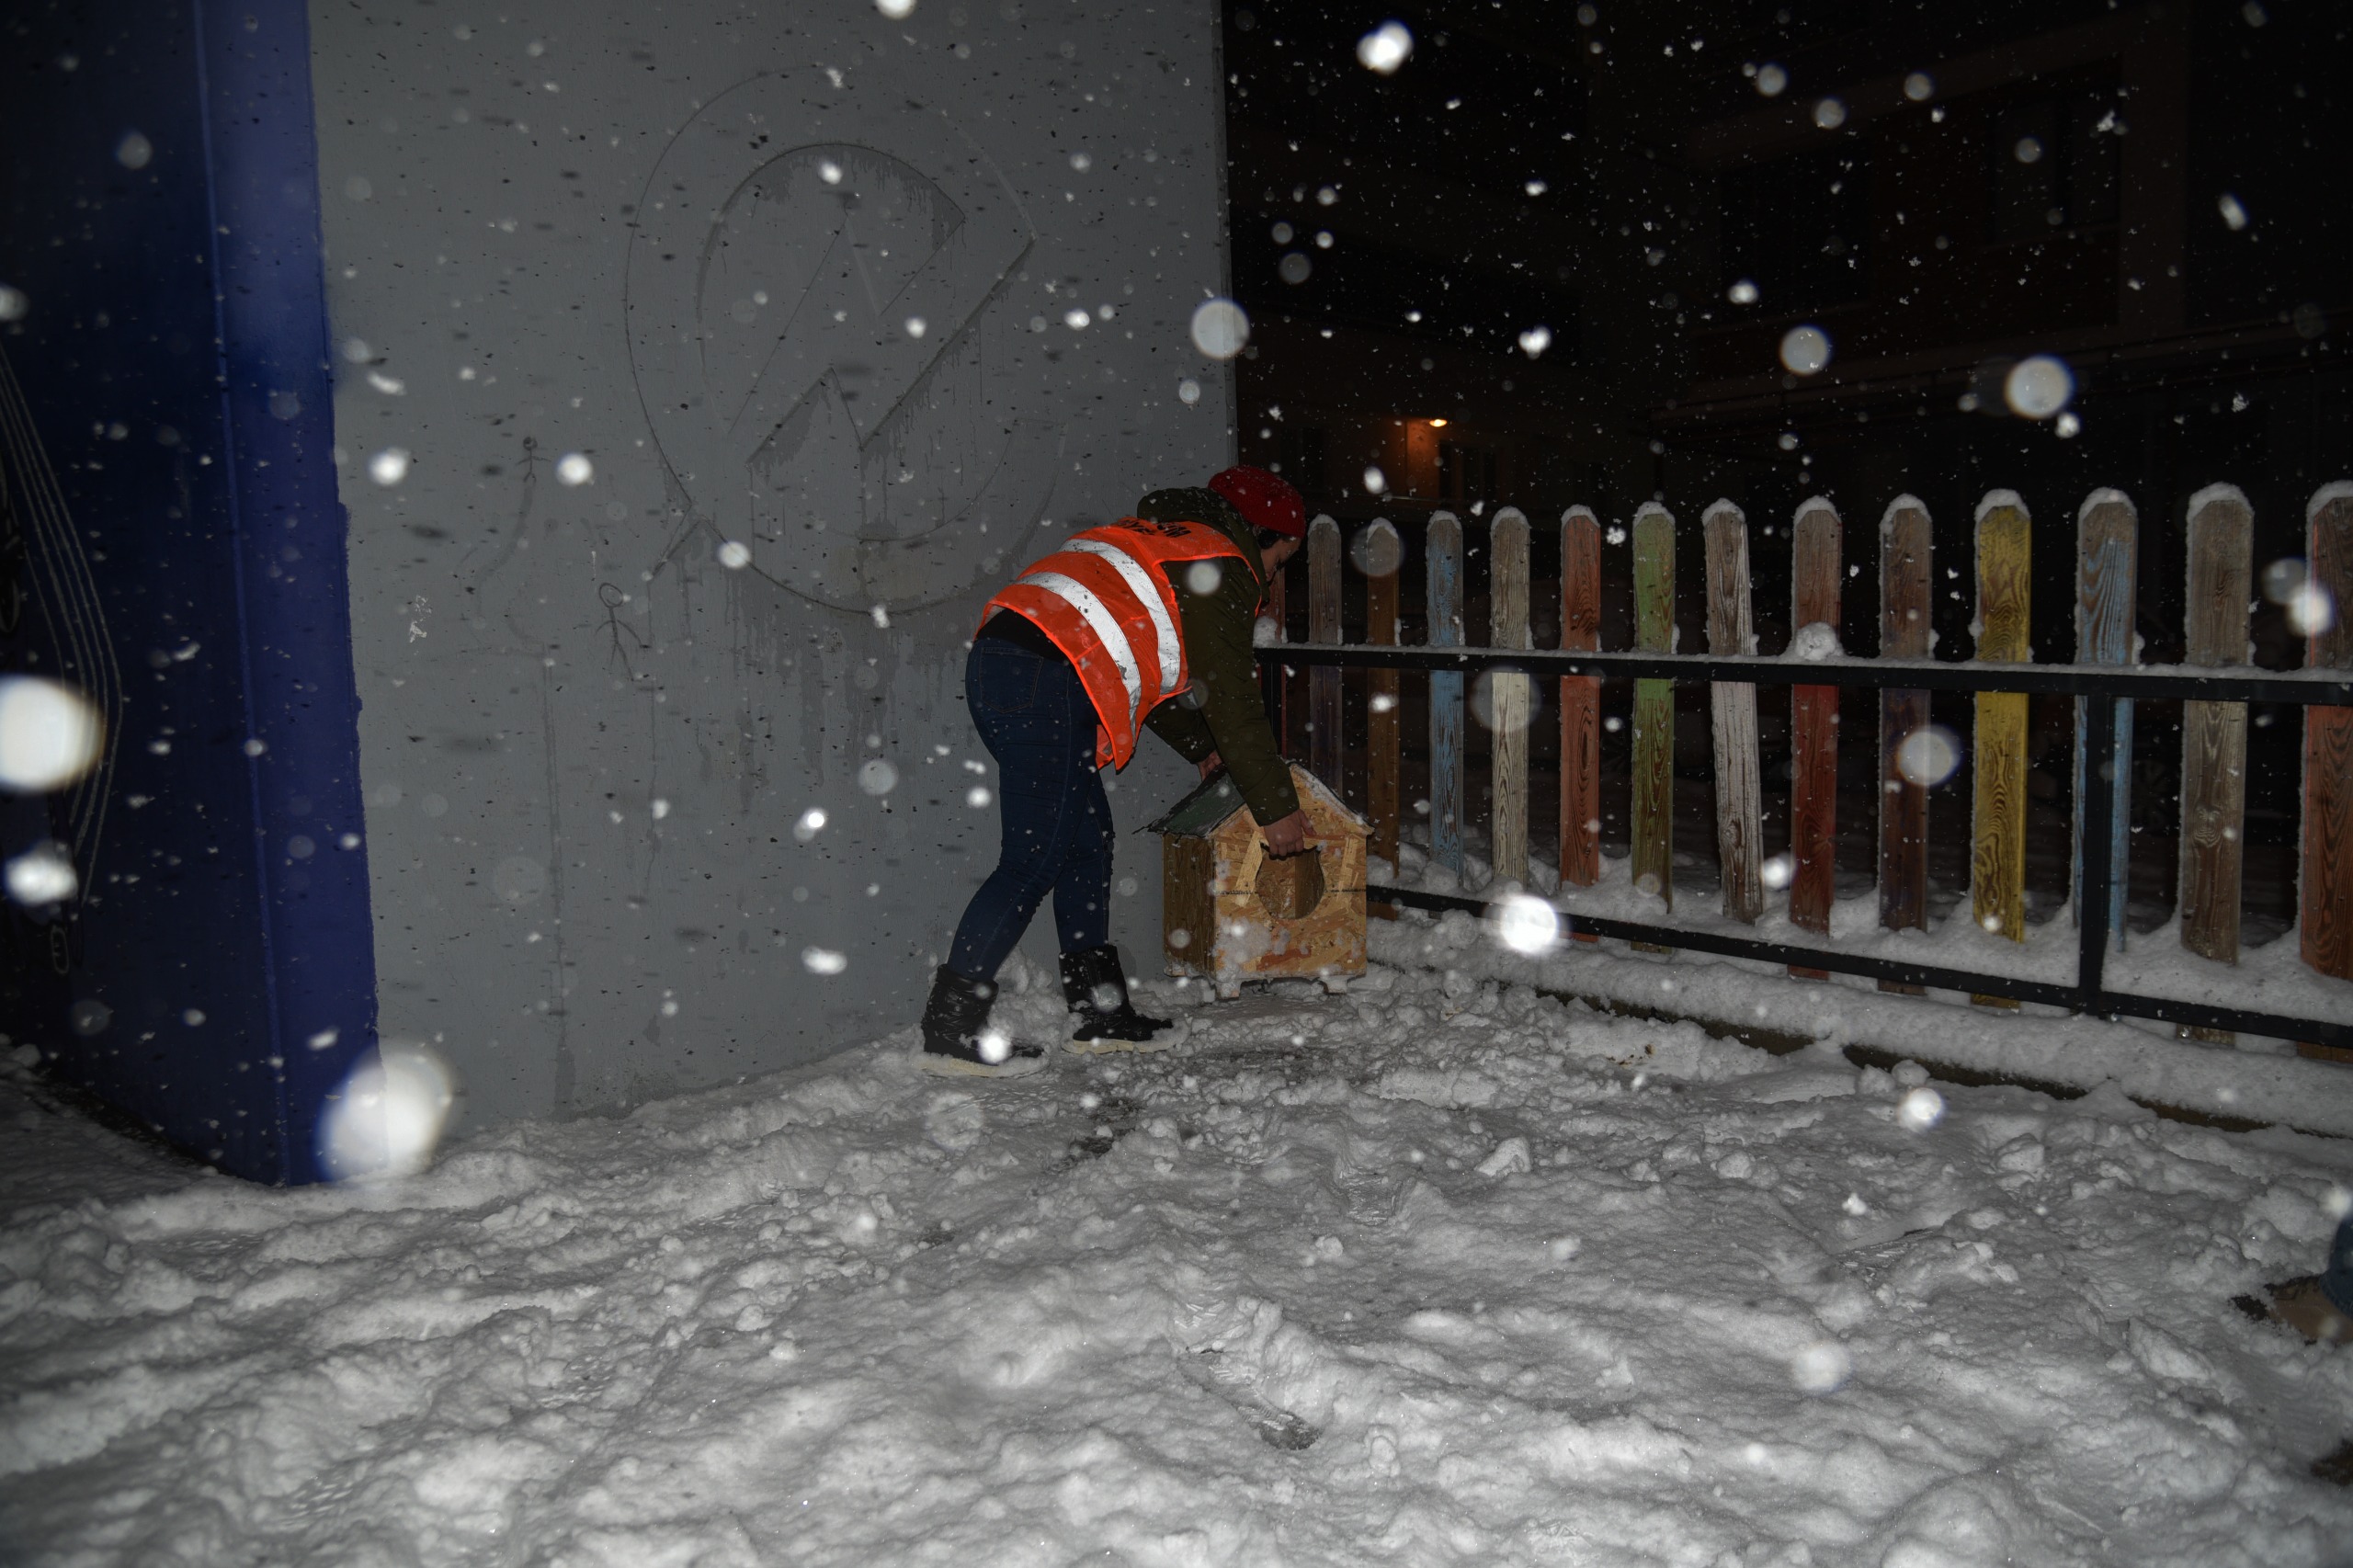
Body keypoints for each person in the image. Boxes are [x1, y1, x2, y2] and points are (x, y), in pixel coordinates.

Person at [917, 466, 1315, 1076]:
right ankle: (949, 1029)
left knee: (1084, 844)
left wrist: (1200, 747)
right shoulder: (1222, 563)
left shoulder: (1169, 541)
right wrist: (1277, 808)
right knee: (1032, 861)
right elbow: (1233, 699)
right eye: (1282, 560)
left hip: (1018, 666)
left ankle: (1099, 1012)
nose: (1273, 577)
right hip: (1046, 677)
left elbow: (1148, 670)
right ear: (1262, 536)